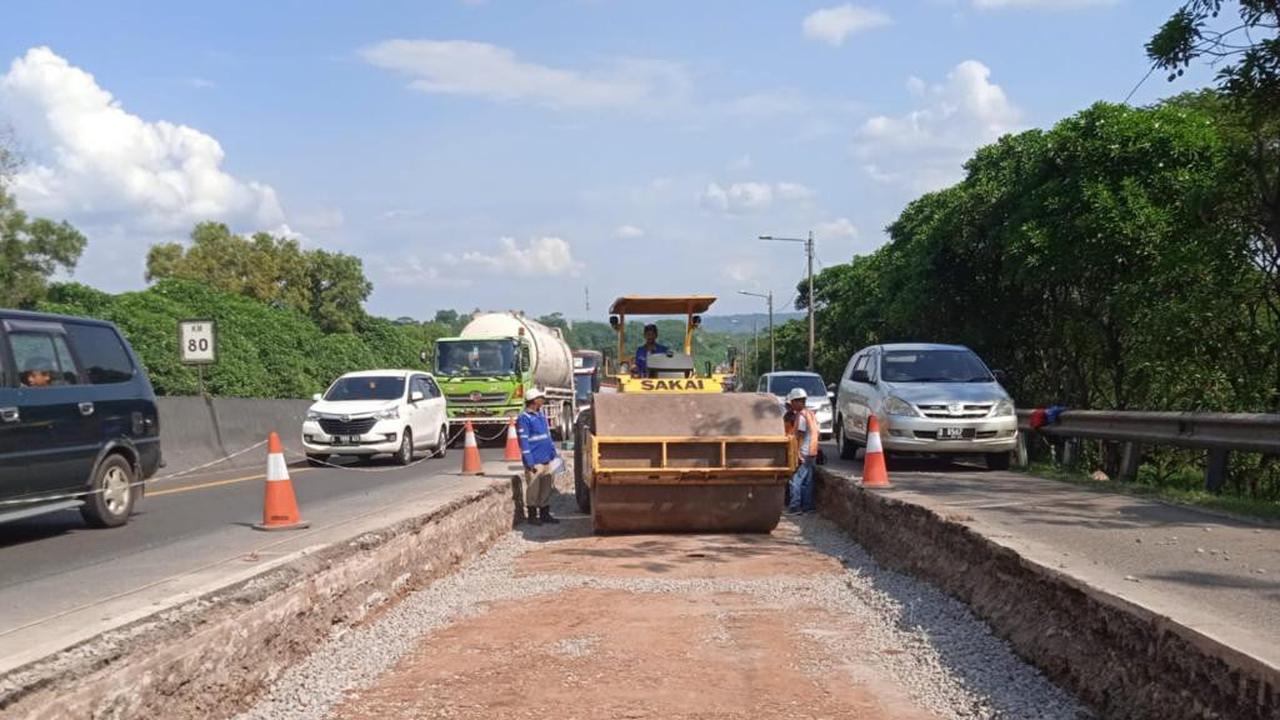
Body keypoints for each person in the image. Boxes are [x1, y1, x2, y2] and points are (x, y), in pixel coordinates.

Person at [516, 387, 561, 525]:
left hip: (546, 458)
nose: (543, 400)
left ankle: (544, 513)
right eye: (540, 398)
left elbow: (547, 436)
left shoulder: (541, 415)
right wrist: (529, 461)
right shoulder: (524, 418)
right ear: (534, 401)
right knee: (533, 489)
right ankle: (532, 516)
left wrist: (553, 453)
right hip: (534, 460)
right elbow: (523, 441)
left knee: (546, 488)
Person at [785, 387, 818, 515]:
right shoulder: (810, 414)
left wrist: (797, 453)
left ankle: (795, 506)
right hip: (812, 451)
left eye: (793, 402)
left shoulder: (802, 416)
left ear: (799, 402)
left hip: (804, 451)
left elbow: (800, 435)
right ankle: (808, 507)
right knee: (807, 480)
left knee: (795, 480)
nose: (791, 405)